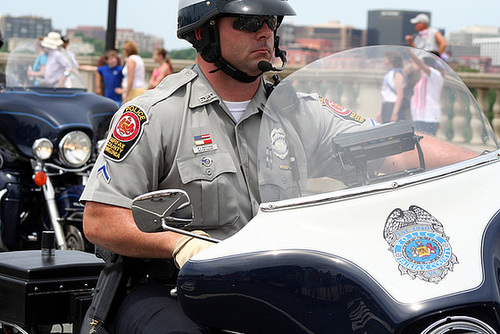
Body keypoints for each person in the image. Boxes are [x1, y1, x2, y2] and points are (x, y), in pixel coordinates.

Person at [80, 1, 476, 332]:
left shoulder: (295, 111)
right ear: (204, 33)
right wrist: (179, 243)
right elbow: (100, 220)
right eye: (250, 22)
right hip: (174, 289)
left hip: (276, 288)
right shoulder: (154, 115)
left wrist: (484, 164)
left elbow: (394, 147)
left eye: (271, 21)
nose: (265, 32)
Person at [408, 52, 444, 135]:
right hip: (419, 117)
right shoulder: (423, 79)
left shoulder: (435, 75)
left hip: (429, 117)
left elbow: (421, 65)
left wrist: (410, 52)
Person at [376, 51, 405, 124]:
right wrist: (380, 111)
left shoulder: (397, 73)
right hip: (386, 105)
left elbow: (400, 94)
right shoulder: (389, 72)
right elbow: (386, 94)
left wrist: (395, 113)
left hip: (393, 105)